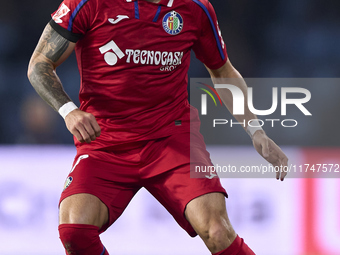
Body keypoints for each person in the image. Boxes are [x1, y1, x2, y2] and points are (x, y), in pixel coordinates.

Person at [27, 0, 288, 254]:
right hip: (105, 142)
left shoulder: (195, 8)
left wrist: (256, 130)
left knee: (217, 231)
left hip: (171, 140)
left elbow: (223, 72)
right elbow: (39, 64)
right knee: (74, 231)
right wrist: (69, 111)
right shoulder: (87, 4)